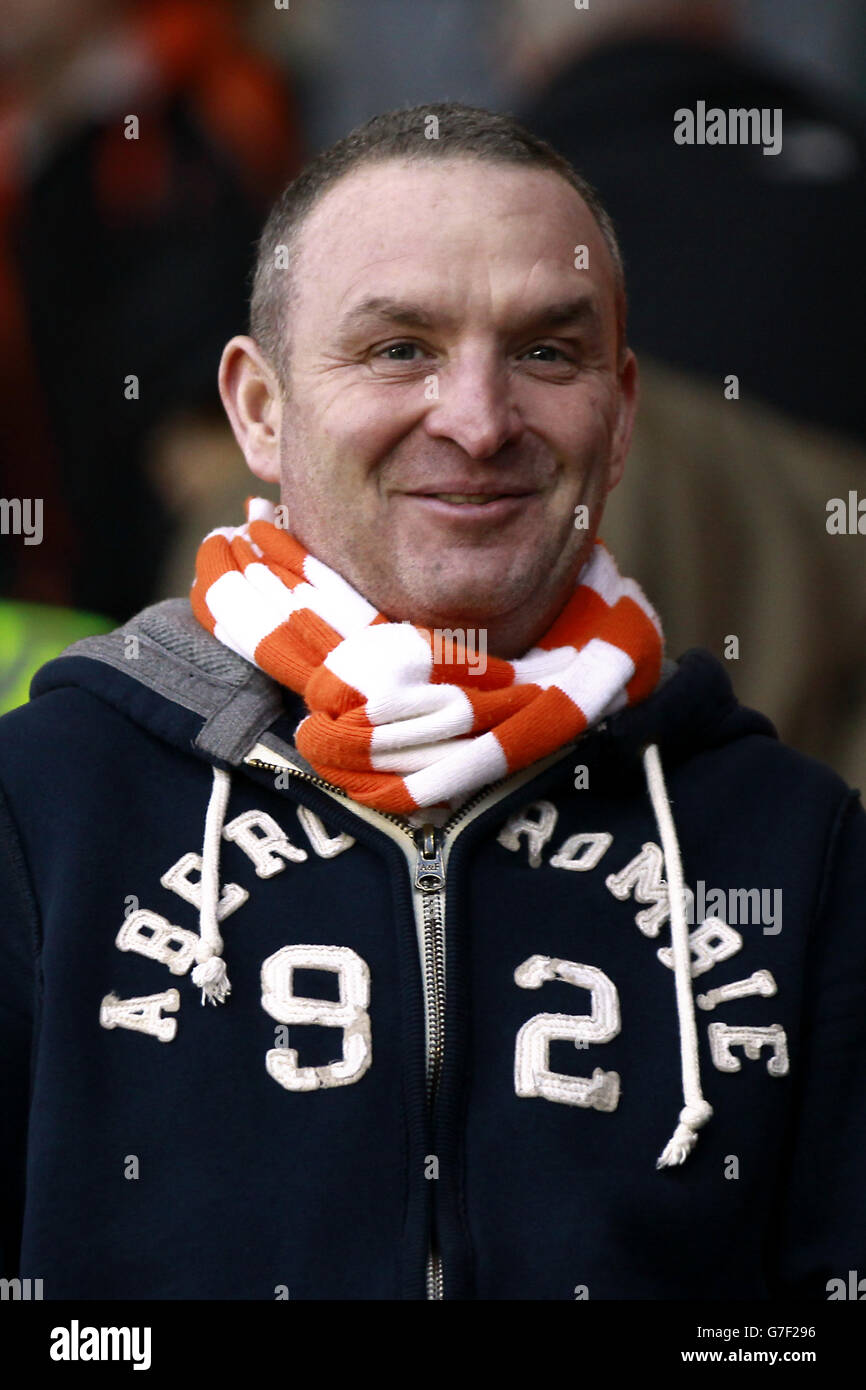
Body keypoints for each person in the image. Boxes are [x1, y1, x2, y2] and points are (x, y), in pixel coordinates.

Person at [1, 102, 864, 1302]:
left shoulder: (796, 842)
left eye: (545, 352)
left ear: (617, 420)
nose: (476, 419)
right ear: (258, 409)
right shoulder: (41, 804)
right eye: (399, 347)